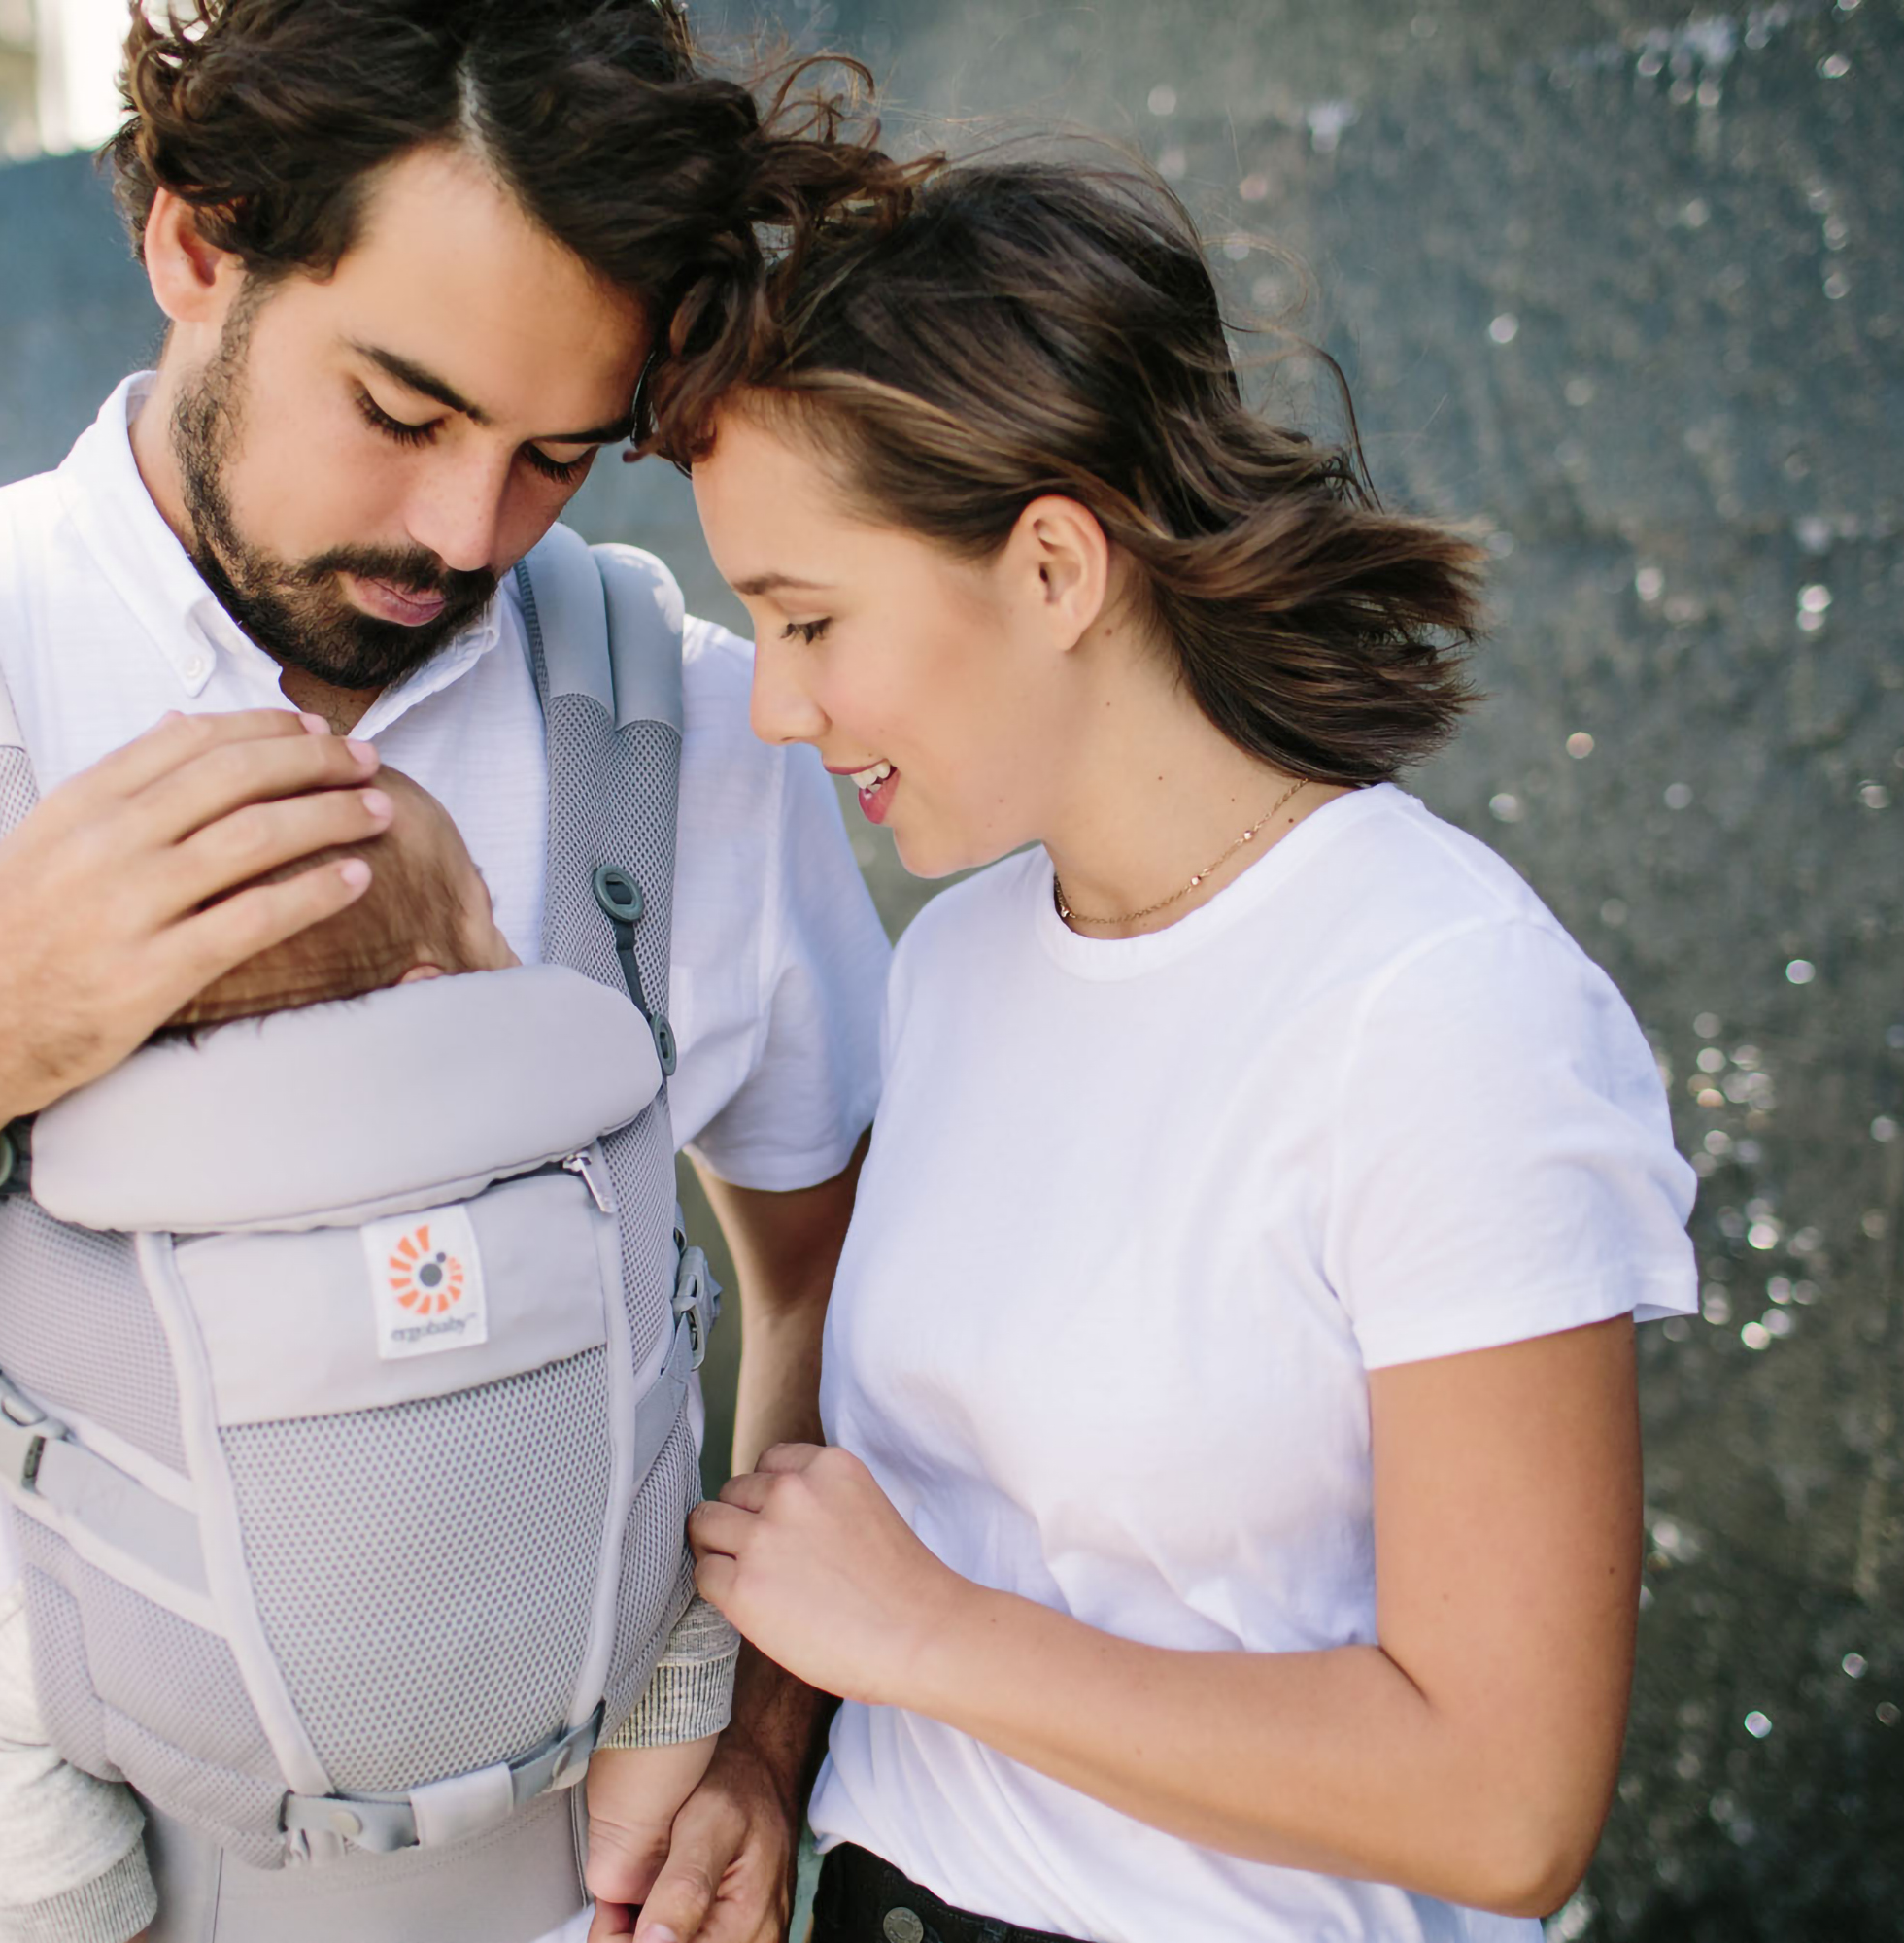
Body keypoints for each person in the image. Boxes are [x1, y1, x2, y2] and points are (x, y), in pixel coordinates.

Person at [0, 5, 893, 1939]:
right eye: (400, 413)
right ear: (196, 241)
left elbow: (839, 1281)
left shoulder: (686, 728)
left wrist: (758, 1733)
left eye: (555, 458)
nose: (463, 533)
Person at [661, 157, 1700, 1942]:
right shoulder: (963, 958)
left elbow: (1507, 1803)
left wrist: (930, 1637)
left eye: (810, 621)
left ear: (1053, 565)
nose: (774, 703)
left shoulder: (1444, 1010)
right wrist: (763, 1755)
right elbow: (879, 1518)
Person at [0, 763, 739, 1942]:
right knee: (684, 1596)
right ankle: (623, 1861)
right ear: (425, 995)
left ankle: (93, 1923)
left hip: (206, 1676)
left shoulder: (133, 1170)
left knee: (0, 1713)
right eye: (484, 913)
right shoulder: (561, 1111)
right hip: (572, 1624)